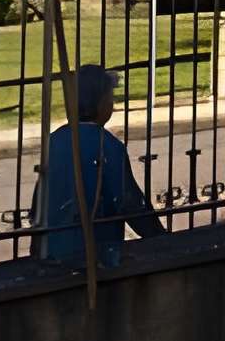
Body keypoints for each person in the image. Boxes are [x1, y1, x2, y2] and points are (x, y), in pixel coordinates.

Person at [41, 64, 165, 270]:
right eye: (110, 98)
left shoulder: (54, 140)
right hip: (96, 251)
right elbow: (128, 200)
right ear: (98, 103)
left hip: (54, 248)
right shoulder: (108, 145)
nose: (112, 105)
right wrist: (159, 237)